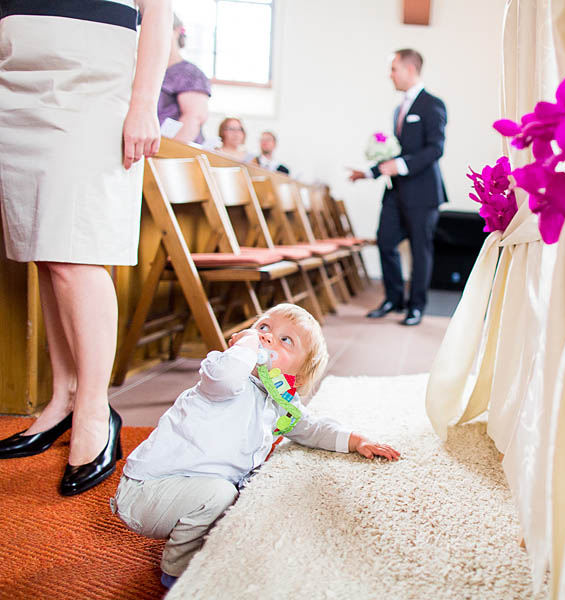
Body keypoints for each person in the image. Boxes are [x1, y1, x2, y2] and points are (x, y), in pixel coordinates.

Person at [0, 0, 171, 496]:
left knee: (77, 249)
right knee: (47, 249)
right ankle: (64, 397)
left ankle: (96, 410)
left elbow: (156, 11)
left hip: (90, 81)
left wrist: (143, 104)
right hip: (15, 79)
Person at [110, 303, 400, 588]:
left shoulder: (279, 401)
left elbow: (309, 428)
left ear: (295, 377)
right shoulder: (223, 376)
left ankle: (206, 541)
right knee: (220, 494)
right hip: (147, 490)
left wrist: (355, 440)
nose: (267, 337)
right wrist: (245, 347)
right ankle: (178, 570)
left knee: (245, 494)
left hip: (186, 491)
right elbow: (227, 376)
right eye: (263, 327)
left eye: (286, 340)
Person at [349, 48, 447, 327]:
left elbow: (435, 149)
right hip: (396, 192)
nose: (390, 74)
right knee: (385, 240)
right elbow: (395, 152)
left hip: (424, 193)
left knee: (420, 251)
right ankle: (393, 298)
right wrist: (368, 172)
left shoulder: (433, 104)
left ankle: (416, 307)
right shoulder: (399, 109)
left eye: (394, 68)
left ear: (409, 69)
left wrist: (401, 165)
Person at [157, 13, 210, 144]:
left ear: (176, 30)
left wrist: (164, 151)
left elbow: (194, 118)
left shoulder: (189, 73)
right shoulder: (151, 72)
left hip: (170, 154)